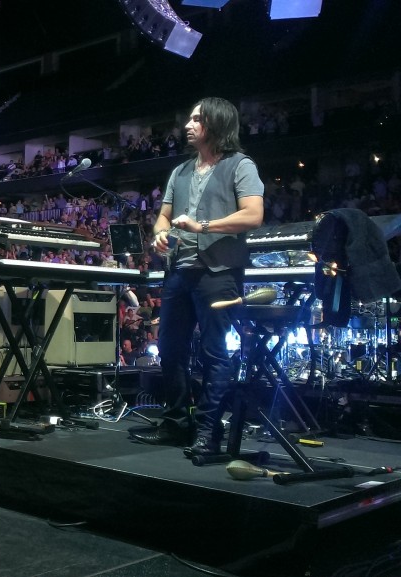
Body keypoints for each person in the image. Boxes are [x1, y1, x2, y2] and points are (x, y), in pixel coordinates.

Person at [129, 97, 264, 455]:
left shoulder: (240, 165)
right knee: (170, 349)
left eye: (196, 120)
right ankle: (176, 423)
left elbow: (253, 215)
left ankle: (208, 431)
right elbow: (163, 216)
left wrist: (203, 225)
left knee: (214, 351)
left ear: (216, 124)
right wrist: (160, 233)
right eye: (189, 119)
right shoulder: (181, 171)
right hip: (179, 270)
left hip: (218, 272)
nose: (188, 125)